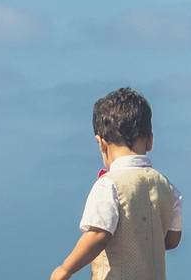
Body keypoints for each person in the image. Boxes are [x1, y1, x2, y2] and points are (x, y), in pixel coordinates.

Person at [51, 88, 183, 280]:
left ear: (102, 143)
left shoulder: (109, 186)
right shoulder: (168, 189)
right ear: (150, 141)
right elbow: (172, 240)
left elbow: (98, 235)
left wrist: (65, 269)